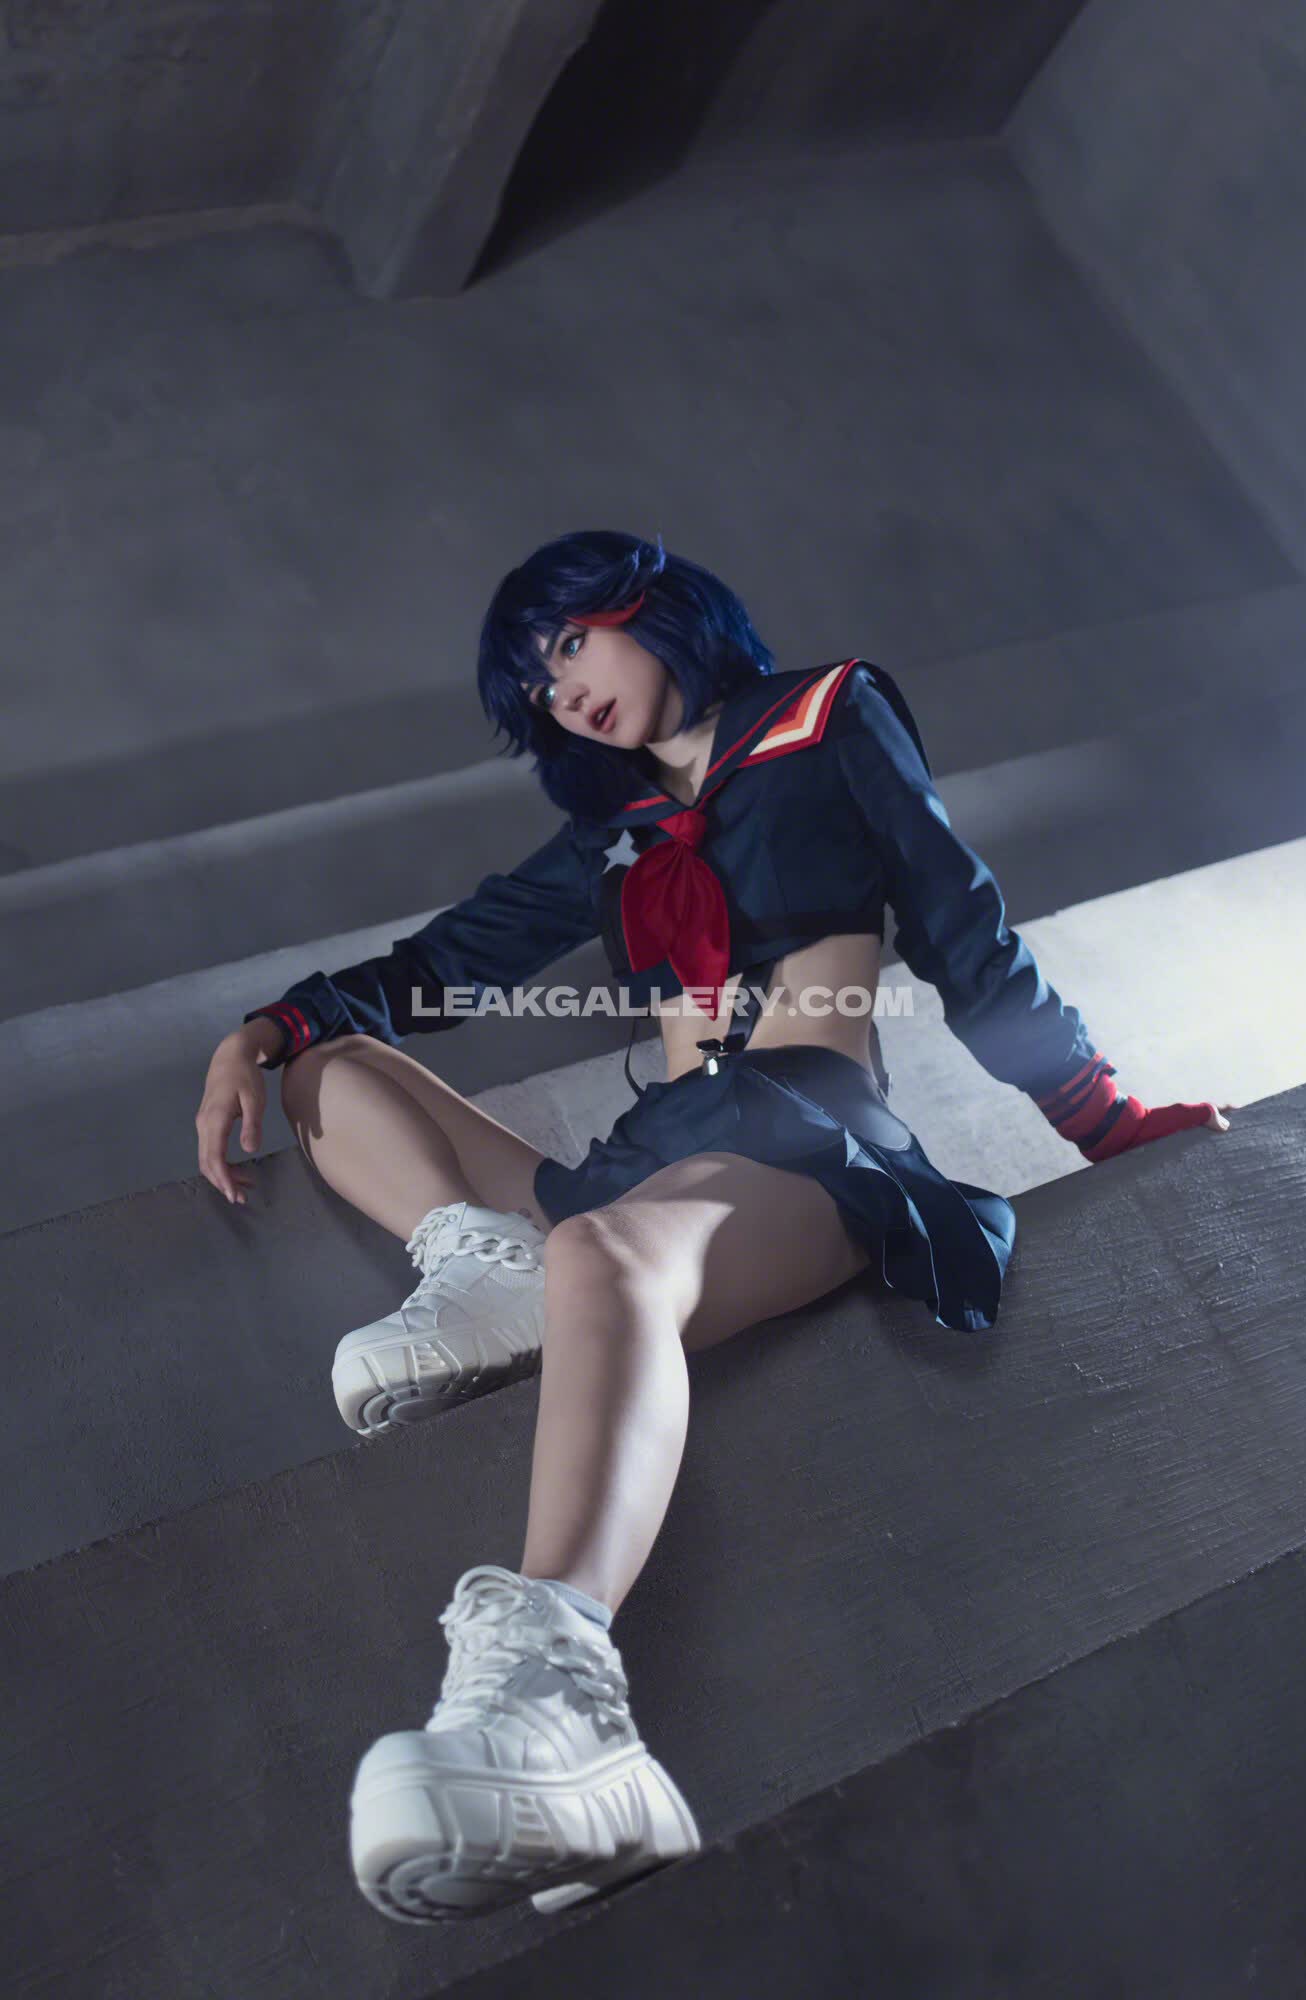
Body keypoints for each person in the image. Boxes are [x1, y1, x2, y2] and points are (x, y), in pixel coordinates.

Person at [195, 528, 1233, 1924]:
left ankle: (563, 1712)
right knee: (335, 1071)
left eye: (569, 644)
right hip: (647, 1164)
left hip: (804, 1145)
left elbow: (963, 928)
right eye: (537, 686)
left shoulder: (829, 714)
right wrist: (263, 1031)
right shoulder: (611, 832)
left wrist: (1103, 1119)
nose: (563, 694)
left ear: (650, 603)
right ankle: (489, 1265)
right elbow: (446, 962)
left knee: (604, 1252)